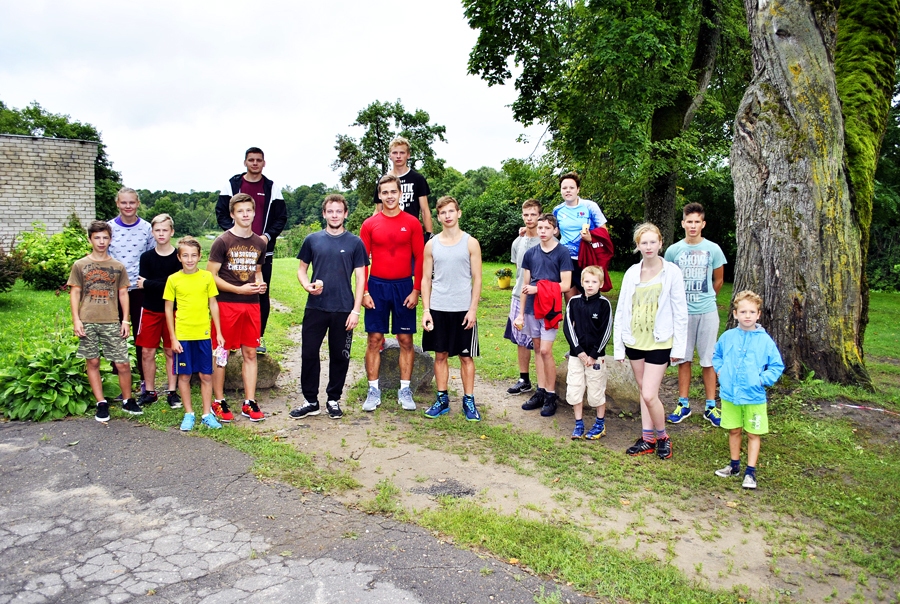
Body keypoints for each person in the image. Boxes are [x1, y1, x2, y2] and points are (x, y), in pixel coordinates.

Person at [289, 194, 368, 420]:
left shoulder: (355, 243)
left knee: (340, 356)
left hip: (343, 309)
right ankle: (311, 401)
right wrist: (307, 286)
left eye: (338, 211)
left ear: (345, 214)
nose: (334, 215)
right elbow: (302, 269)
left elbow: (361, 279)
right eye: (330, 211)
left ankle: (333, 399)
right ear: (324, 213)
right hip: (315, 308)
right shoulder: (312, 240)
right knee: (309, 354)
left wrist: (355, 310)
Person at [613, 223, 687, 460]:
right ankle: (647, 438)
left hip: (660, 342)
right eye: (643, 243)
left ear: (660, 243)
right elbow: (623, 309)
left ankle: (663, 437)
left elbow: (680, 311)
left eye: (652, 242)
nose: (648, 247)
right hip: (635, 340)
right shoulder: (632, 273)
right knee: (644, 391)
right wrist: (619, 347)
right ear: (638, 246)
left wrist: (679, 347)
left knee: (648, 394)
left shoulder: (672, 271)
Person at [360, 174, 425, 412]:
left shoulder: (412, 222)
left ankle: (405, 390)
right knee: (374, 339)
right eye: (384, 192)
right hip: (377, 286)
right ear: (379, 194)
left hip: (404, 287)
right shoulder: (369, 224)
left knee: (405, 340)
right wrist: (365, 291)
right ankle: (373, 390)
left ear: (400, 194)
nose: (389, 196)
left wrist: (416, 289)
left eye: (393, 192)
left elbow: (420, 258)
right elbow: (361, 262)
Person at [215, 147, 287, 354]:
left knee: (260, 294)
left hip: (262, 251)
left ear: (264, 163)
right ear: (245, 162)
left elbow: (281, 217)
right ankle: (229, 340)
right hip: (233, 252)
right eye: (251, 160)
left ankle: (257, 337)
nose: (255, 163)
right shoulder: (232, 184)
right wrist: (232, 235)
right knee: (228, 292)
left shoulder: (272, 187)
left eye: (259, 160)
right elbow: (221, 212)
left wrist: (266, 237)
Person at [67, 220, 140, 422]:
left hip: (111, 320)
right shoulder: (80, 265)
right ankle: (101, 403)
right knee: (93, 361)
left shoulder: (117, 266)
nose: (101, 242)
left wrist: (125, 320)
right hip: (88, 320)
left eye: (105, 237)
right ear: (90, 239)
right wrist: (76, 320)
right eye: (97, 237)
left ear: (110, 239)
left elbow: (123, 294)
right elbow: (75, 293)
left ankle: (127, 400)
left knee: (122, 363)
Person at [713, 290, 784, 489]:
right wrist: (721, 371)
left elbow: (777, 365)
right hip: (730, 395)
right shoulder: (728, 337)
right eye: (743, 312)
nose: (747, 316)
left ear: (758, 315)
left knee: (753, 433)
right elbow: (716, 355)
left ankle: (750, 472)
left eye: (752, 312)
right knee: (734, 430)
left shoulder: (765, 341)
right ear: (735, 314)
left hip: (754, 397)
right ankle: (734, 465)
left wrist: (761, 380)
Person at [664, 203, 727, 427]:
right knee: (684, 358)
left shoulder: (713, 249)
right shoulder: (673, 251)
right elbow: (668, 280)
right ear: (683, 223)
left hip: (707, 312)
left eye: (696, 222)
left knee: (708, 360)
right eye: (688, 222)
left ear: (703, 224)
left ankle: (711, 406)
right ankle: (683, 404)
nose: (692, 226)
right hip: (682, 314)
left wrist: (708, 298)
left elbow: (718, 279)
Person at [421, 196, 483, 421]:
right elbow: (425, 279)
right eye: (442, 213)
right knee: (440, 355)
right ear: (438, 217)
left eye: (451, 211)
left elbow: (477, 279)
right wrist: (426, 310)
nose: (447, 216)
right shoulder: (432, 244)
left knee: (466, 357)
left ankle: (469, 401)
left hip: (463, 309)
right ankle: (442, 399)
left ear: (459, 213)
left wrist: (473, 309)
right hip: (438, 308)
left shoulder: (470, 243)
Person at [207, 193, 267, 423]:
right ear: (232, 214)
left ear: (254, 213)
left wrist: (260, 285)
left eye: (249, 211)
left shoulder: (260, 242)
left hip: (251, 306)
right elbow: (211, 276)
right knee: (222, 353)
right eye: (240, 211)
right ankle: (219, 401)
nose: (245, 215)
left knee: (250, 352)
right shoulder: (222, 241)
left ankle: (249, 402)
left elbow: (257, 270)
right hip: (226, 305)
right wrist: (238, 289)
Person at [163, 236, 225, 431]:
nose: (190, 259)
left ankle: (207, 414)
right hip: (183, 336)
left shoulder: (206, 277)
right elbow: (168, 309)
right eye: (185, 256)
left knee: (207, 375)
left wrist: (219, 332)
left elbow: (213, 304)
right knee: (185, 375)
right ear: (179, 258)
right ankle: (189, 413)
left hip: (203, 334)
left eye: (193, 255)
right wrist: (173, 337)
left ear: (199, 257)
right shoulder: (173, 279)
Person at [514, 213, 572, 418]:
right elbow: (524, 285)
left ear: (555, 230)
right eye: (540, 228)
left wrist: (539, 289)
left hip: (550, 308)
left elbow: (565, 284)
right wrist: (520, 314)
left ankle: (551, 394)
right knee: (537, 348)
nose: (543, 232)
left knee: (546, 351)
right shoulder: (530, 253)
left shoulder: (562, 252)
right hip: (531, 308)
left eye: (547, 228)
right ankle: (540, 390)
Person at [107, 187, 156, 392]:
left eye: (132, 203)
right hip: (113, 290)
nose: (128, 206)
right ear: (118, 203)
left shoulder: (146, 228)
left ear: (137, 204)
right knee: (114, 333)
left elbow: (151, 256)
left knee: (140, 334)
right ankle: (116, 379)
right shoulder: (108, 228)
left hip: (138, 289)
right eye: (124, 203)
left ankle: (145, 380)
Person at [135, 213, 183, 409]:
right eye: (157, 230)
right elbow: (141, 284)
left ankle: (172, 392)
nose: (161, 234)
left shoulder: (179, 257)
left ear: (171, 232)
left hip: (173, 311)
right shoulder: (146, 257)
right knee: (147, 352)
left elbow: (176, 286)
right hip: (150, 309)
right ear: (152, 232)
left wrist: (149, 284)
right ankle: (150, 391)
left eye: (165, 230)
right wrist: (153, 285)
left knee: (171, 351)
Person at [563, 265, 612, 440]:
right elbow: (568, 328)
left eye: (594, 282)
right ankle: (579, 423)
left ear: (600, 283)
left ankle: (600, 424)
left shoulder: (604, 304)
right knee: (575, 388)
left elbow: (606, 332)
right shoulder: (574, 302)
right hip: (577, 356)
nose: (590, 285)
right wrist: (579, 352)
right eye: (586, 281)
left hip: (595, 357)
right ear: (582, 282)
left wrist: (593, 354)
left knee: (596, 390)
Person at [504, 199, 542, 395]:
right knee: (520, 339)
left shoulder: (547, 241)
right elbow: (519, 271)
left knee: (538, 342)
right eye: (526, 215)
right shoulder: (517, 242)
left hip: (540, 298)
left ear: (539, 216)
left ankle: (543, 386)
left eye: (533, 214)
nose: (529, 218)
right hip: (518, 296)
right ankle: (524, 379)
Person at [552, 172, 606, 300]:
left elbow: (604, 232)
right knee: (570, 299)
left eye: (571, 187)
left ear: (578, 189)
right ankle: (573, 320)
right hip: (566, 258)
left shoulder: (590, 206)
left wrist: (590, 238)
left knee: (589, 296)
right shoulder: (557, 210)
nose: (568, 191)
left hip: (586, 257)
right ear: (561, 190)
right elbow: (555, 231)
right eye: (564, 188)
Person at [373, 137, 434, 241]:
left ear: (408, 155)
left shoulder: (418, 179)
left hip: (411, 232)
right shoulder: (383, 180)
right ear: (390, 155)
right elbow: (378, 210)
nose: (398, 156)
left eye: (402, 153)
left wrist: (429, 235)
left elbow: (425, 210)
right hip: (388, 232)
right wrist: (373, 231)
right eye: (395, 153)